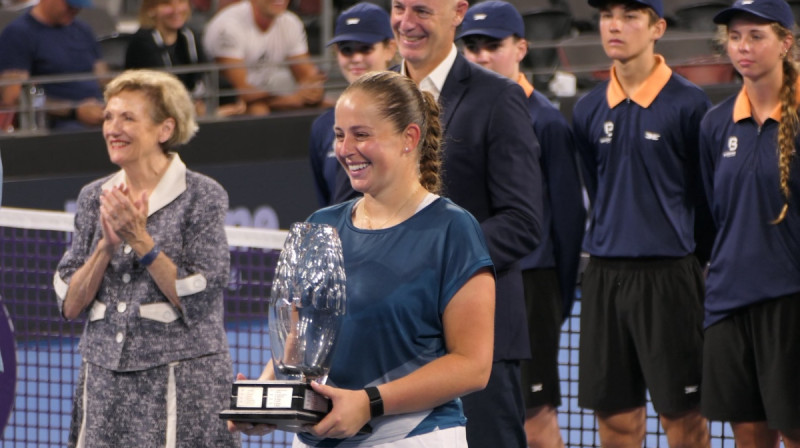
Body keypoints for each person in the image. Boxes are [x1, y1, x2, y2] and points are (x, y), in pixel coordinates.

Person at [232, 70, 496, 447]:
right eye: (339, 135)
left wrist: (368, 404)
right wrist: (267, 399)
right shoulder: (320, 225)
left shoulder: (453, 229)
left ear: (409, 138)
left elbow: (473, 366)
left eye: (361, 134)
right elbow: (298, 343)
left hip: (414, 437)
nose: (345, 148)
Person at [53, 69, 240, 448]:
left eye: (128, 118)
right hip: (103, 384)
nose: (112, 127)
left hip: (181, 385)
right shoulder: (94, 197)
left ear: (164, 129)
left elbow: (200, 296)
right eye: (108, 116)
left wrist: (140, 240)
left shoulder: (202, 196)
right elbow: (69, 304)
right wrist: (104, 247)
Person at [391, 0, 543, 445]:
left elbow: (522, 223)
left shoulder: (499, 97)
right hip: (393, 338)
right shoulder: (373, 96)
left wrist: (428, 259)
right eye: (398, 6)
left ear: (458, 12)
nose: (406, 21)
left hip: (478, 340)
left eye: (421, 9)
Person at [571, 0, 712, 446]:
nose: (614, 26)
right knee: (614, 420)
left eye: (630, 16)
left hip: (671, 279)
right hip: (603, 280)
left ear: (658, 28)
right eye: (607, 15)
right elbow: (595, 184)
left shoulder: (691, 104)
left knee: (684, 420)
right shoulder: (587, 108)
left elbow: (706, 198)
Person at [456, 2, 585, 447]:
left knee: (535, 417)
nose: (482, 56)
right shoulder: (453, 111)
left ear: (521, 48)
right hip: (473, 285)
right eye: (471, 46)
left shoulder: (546, 121)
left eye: (493, 45)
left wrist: (556, 297)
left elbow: (569, 221)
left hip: (531, 288)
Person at [699, 1, 800, 446]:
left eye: (757, 36)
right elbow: (712, 212)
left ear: (785, 44)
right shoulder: (715, 124)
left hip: (791, 305)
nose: (743, 46)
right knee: (749, 438)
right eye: (736, 36)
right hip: (729, 304)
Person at [309, 2, 396, 206]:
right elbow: (327, 204)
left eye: (365, 48)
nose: (356, 58)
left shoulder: (409, 112)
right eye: (346, 50)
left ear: (390, 48)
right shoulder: (323, 127)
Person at [202, 0, 326, 115]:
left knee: (328, 106)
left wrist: (313, 92)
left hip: (268, 96)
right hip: (225, 103)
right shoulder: (228, 26)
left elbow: (307, 76)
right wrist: (289, 98)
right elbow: (240, 91)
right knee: (258, 110)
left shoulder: (291, 22)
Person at [0, 0, 107, 131]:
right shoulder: (18, 34)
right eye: (70, 5)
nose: (75, 10)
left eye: (79, 6)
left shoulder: (83, 30)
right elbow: (14, 98)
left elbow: (103, 78)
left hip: (98, 115)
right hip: (57, 124)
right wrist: (74, 111)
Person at [125, 0, 207, 109]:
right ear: (151, 9)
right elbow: (157, 91)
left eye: (181, 2)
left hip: (188, 110)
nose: (176, 10)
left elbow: (202, 77)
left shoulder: (189, 36)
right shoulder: (141, 42)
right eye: (167, 4)